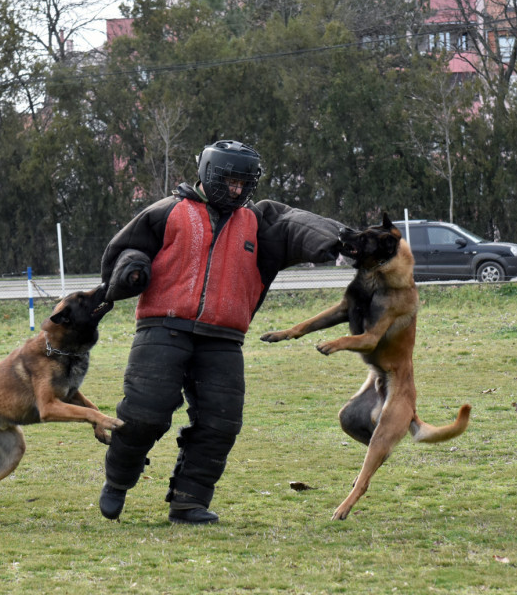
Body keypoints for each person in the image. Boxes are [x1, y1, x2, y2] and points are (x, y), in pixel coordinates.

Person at [98, 140, 346, 524]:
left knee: (221, 422)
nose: (236, 190)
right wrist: (132, 269)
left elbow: (297, 225)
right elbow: (125, 250)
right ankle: (118, 481)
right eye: (229, 181)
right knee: (145, 414)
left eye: (243, 184)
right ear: (207, 174)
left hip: (224, 339)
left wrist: (344, 242)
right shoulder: (166, 212)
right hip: (162, 327)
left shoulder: (257, 221)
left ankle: (188, 501)